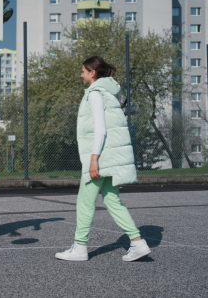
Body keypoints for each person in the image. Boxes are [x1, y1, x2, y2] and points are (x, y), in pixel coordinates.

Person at [55, 56, 151, 262]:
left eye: (83, 71)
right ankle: (138, 242)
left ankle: (80, 247)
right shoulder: (108, 93)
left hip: (100, 157)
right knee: (112, 199)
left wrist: (93, 159)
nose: (80, 75)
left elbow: (101, 129)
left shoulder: (95, 94)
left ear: (92, 73)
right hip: (109, 156)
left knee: (85, 201)